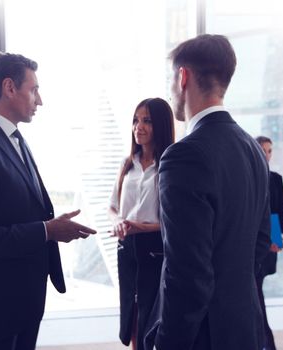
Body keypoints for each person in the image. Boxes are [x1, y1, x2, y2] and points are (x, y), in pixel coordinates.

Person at [0, 52, 96, 350]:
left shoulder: (13, 138)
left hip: (22, 304)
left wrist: (49, 226)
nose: (39, 100)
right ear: (9, 88)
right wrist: (47, 231)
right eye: (34, 89)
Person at [145, 34, 271, 350]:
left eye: (171, 79)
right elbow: (260, 242)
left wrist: (168, 343)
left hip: (203, 334)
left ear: (183, 76)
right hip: (244, 326)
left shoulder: (184, 155)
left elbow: (186, 270)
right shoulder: (252, 149)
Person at [108, 98, 174, 350]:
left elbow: (174, 221)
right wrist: (117, 223)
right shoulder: (127, 164)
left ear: (161, 124)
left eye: (147, 120)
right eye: (136, 120)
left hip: (155, 246)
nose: (139, 126)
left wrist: (140, 227)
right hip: (127, 246)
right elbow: (112, 206)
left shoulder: (169, 166)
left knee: (151, 312)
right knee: (131, 310)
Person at [255, 135, 283, 350]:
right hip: (249, 244)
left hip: (269, 243)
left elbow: (278, 211)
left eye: (269, 150)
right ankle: (266, 342)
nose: (266, 154)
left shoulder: (275, 178)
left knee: (257, 293)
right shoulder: (246, 175)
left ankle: (266, 343)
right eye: (263, 149)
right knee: (255, 296)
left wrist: (276, 238)